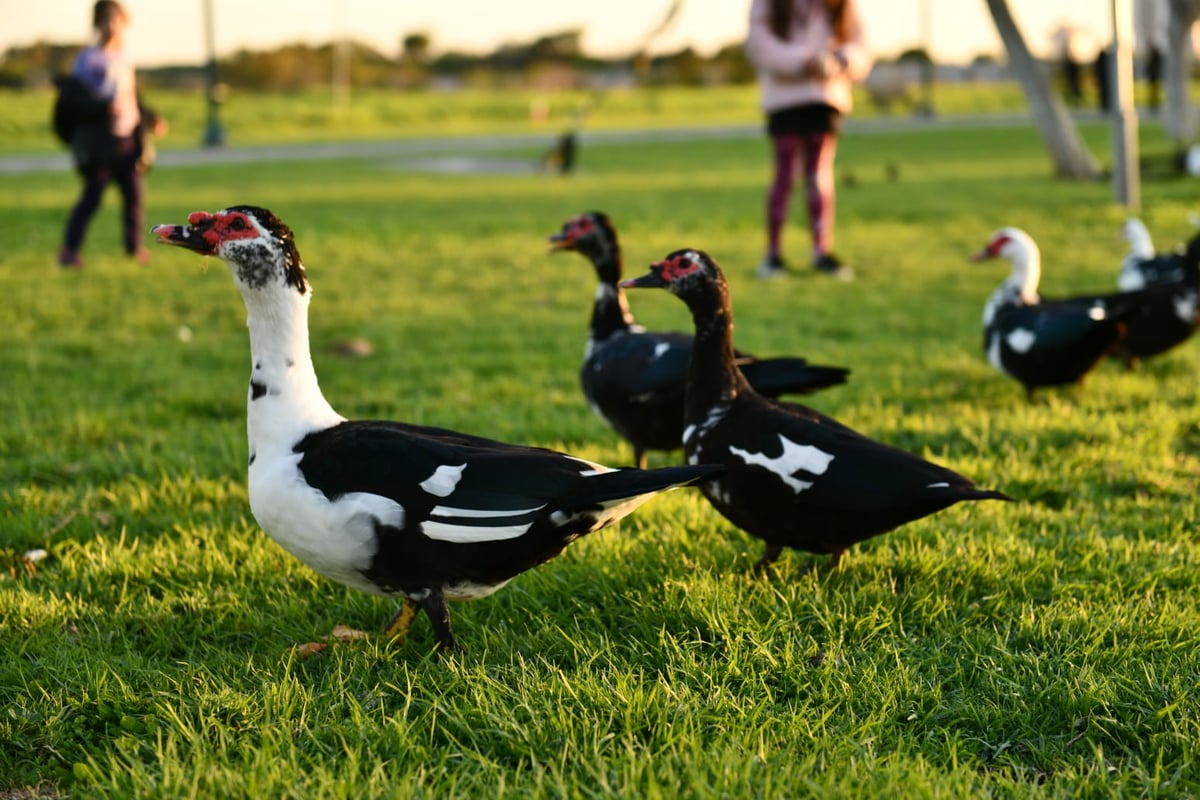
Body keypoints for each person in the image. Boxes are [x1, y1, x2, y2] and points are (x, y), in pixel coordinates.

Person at [745, 0, 871, 280]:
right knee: (785, 175)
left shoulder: (840, 5)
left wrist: (841, 59)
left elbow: (860, 44)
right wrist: (804, 60)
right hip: (784, 99)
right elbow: (759, 43)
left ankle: (821, 251)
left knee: (819, 174)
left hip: (825, 97)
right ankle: (773, 255)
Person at [58, 0, 167, 269]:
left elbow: (132, 97)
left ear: (123, 22)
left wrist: (150, 117)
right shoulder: (87, 60)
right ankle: (69, 251)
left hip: (128, 138)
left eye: (115, 19)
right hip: (101, 143)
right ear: (97, 23)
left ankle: (134, 249)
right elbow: (73, 101)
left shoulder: (124, 58)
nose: (111, 25)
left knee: (134, 197)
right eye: (105, 19)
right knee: (91, 197)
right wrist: (102, 108)